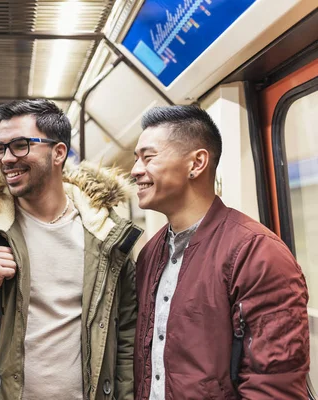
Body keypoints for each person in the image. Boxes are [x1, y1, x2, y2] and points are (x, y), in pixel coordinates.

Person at [0, 99, 141, 399]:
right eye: (0, 148)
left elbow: (126, 334)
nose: (7, 158)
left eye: (20, 145)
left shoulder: (106, 237)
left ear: (58, 152)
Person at [131, 105, 309, 399]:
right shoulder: (150, 253)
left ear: (196, 163)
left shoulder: (256, 253)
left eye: (148, 158)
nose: (136, 170)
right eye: (136, 159)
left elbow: (274, 384)